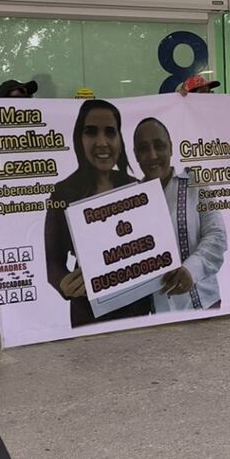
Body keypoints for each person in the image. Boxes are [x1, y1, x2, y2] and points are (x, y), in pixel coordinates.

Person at [44, 99, 152, 326]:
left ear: (120, 140)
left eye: (110, 132)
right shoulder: (63, 192)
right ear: (79, 139)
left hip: (137, 307)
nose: (102, 142)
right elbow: (53, 261)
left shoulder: (137, 187)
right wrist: (64, 283)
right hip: (88, 310)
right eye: (91, 132)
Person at [132, 117, 227, 313]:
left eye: (159, 146)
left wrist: (191, 270)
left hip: (203, 304)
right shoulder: (129, 200)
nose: (152, 155)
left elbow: (217, 236)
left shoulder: (195, 184)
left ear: (171, 148)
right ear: (136, 155)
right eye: (144, 149)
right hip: (155, 314)